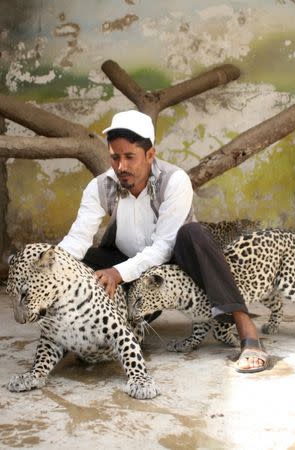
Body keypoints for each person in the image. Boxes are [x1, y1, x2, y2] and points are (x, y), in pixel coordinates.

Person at [59, 109, 268, 373]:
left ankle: (245, 328)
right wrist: (50, 264)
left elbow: (163, 247)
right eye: (115, 157)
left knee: (194, 233)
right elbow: (77, 238)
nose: (121, 166)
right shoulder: (100, 187)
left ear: (150, 154)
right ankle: (86, 336)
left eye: (129, 157)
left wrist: (117, 273)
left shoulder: (174, 180)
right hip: (127, 266)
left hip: (171, 266)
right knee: (83, 259)